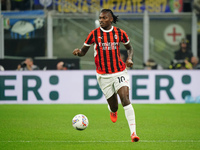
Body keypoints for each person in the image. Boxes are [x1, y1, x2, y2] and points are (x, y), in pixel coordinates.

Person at [72, 9, 139, 142]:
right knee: (114, 106)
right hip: (103, 75)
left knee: (125, 99)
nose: (101, 20)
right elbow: (83, 52)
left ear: (111, 19)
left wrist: (130, 59)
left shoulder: (120, 33)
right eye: (100, 18)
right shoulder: (93, 34)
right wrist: (78, 52)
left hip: (119, 71)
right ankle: (113, 110)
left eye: (104, 18)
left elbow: (129, 48)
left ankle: (133, 133)